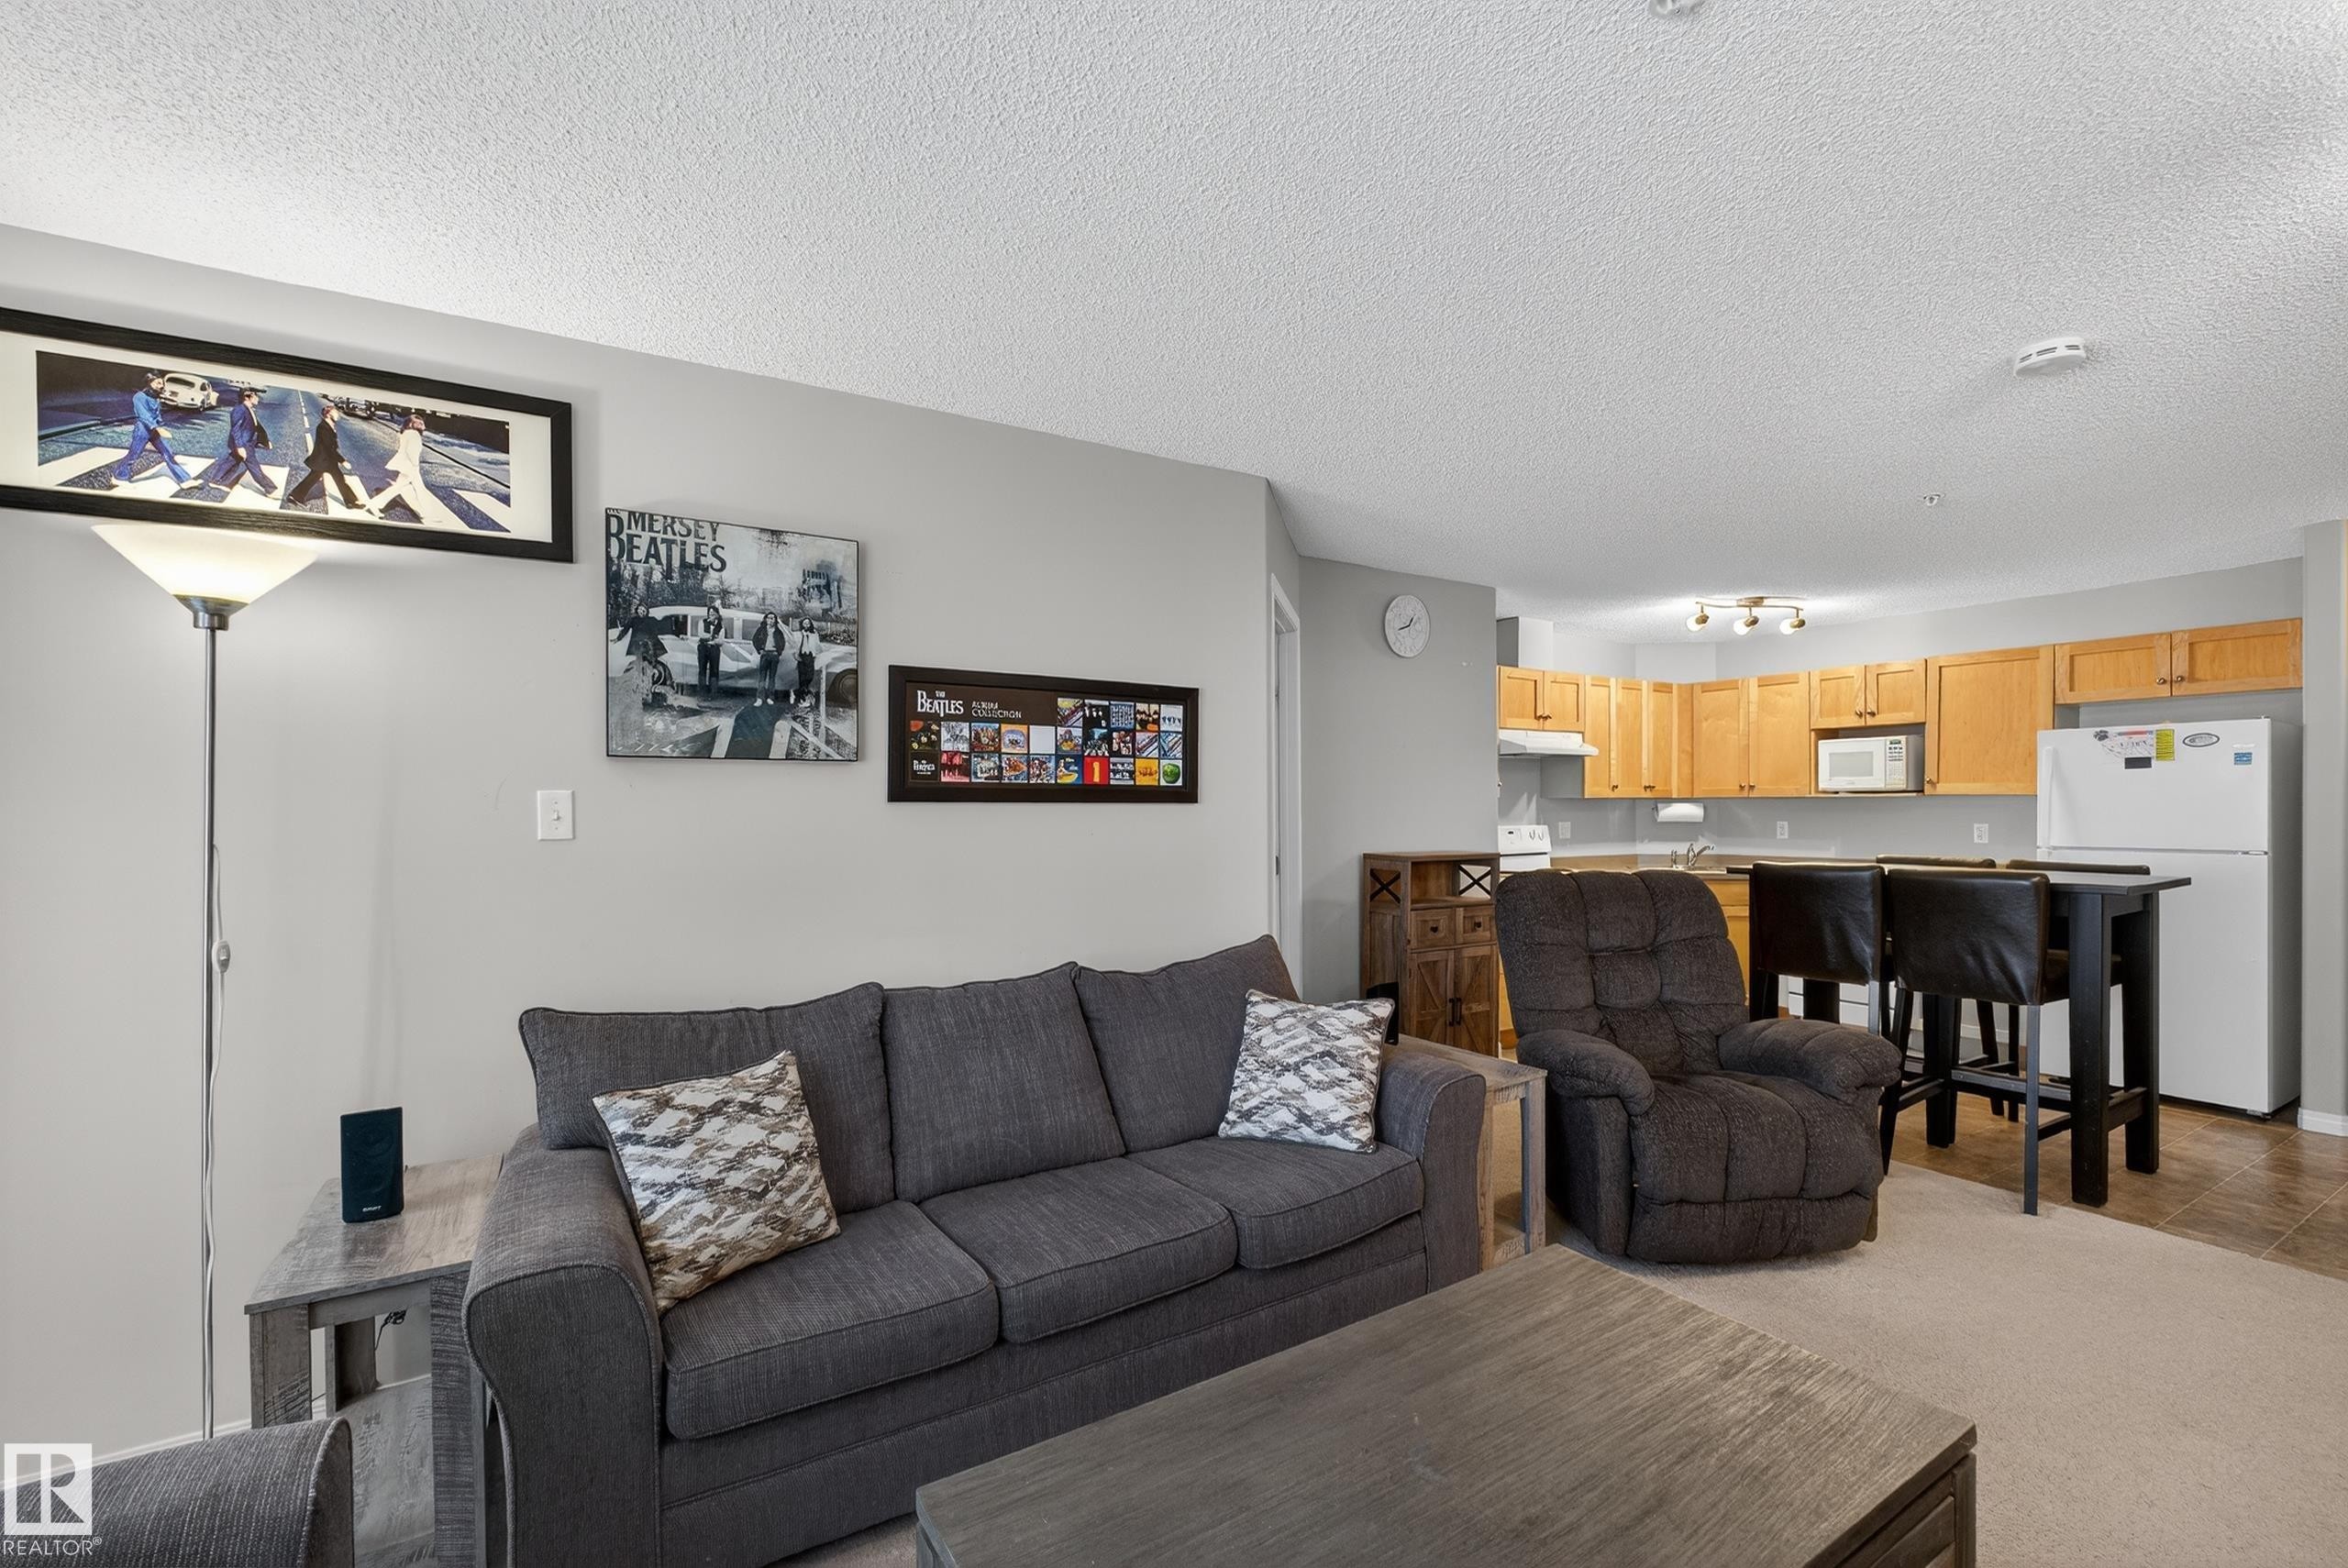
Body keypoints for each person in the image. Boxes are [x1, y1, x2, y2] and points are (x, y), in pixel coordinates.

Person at [363, 414, 455, 525]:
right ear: (413, 424)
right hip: (410, 468)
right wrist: (415, 466)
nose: (424, 427)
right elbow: (411, 453)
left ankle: (425, 514)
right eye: (421, 424)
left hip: (406, 466)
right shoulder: (414, 435)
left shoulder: (406, 433)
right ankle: (374, 504)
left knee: (415, 489)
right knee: (403, 489)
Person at [111, 370, 195, 490]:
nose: (161, 386)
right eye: (157, 383)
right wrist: (157, 428)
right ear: (149, 383)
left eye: (162, 383)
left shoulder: (156, 397)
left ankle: (185, 480)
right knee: (134, 453)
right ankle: (119, 477)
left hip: (155, 429)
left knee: (168, 453)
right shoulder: (139, 397)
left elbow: (157, 414)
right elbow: (144, 415)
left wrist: (159, 424)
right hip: (143, 429)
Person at [288, 400, 363, 509]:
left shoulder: (330, 426)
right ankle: (295, 496)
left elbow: (331, 448)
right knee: (313, 478)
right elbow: (329, 448)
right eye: (334, 413)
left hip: (328, 460)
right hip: (322, 460)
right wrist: (342, 461)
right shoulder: (323, 427)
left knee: (339, 479)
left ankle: (350, 501)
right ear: (328, 415)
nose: (337, 415)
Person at [204, 388, 276, 500]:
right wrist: (240, 447)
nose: (258, 398)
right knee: (254, 467)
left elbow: (256, 427)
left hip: (248, 442)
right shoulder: (239, 410)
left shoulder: (248, 409)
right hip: (244, 444)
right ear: (247, 397)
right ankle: (270, 489)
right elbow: (235, 429)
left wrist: (265, 442)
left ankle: (216, 480)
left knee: (232, 460)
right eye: (255, 395)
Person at [752, 612, 785, 705]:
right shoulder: (761, 630)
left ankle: (770, 697)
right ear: (766, 619)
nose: (770, 620)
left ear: (775, 620)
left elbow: (782, 642)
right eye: (769, 618)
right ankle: (760, 698)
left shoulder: (778, 631)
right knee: (762, 677)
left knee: (772, 677)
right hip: (765, 655)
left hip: (774, 655)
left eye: (772, 618)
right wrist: (760, 650)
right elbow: (755, 640)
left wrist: (779, 652)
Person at [694, 602, 725, 694]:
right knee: (702, 669)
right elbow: (701, 635)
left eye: (713, 613)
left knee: (714, 670)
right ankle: (702, 691)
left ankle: (713, 692)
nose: (711, 615)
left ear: (717, 615)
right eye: (709, 613)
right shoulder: (702, 622)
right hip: (703, 647)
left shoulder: (721, 626)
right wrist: (712, 636)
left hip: (714, 649)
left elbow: (721, 641)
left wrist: (714, 640)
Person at [793, 618, 820, 712]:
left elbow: (817, 645)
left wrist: (815, 655)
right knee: (802, 677)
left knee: (810, 676)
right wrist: (796, 655)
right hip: (801, 656)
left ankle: (801, 691)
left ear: (810, 624)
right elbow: (795, 645)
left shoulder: (814, 633)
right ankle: (802, 698)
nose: (806, 625)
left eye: (808, 623)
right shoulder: (798, 634)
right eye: (805, 623)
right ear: (802, 624)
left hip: (809, 656)